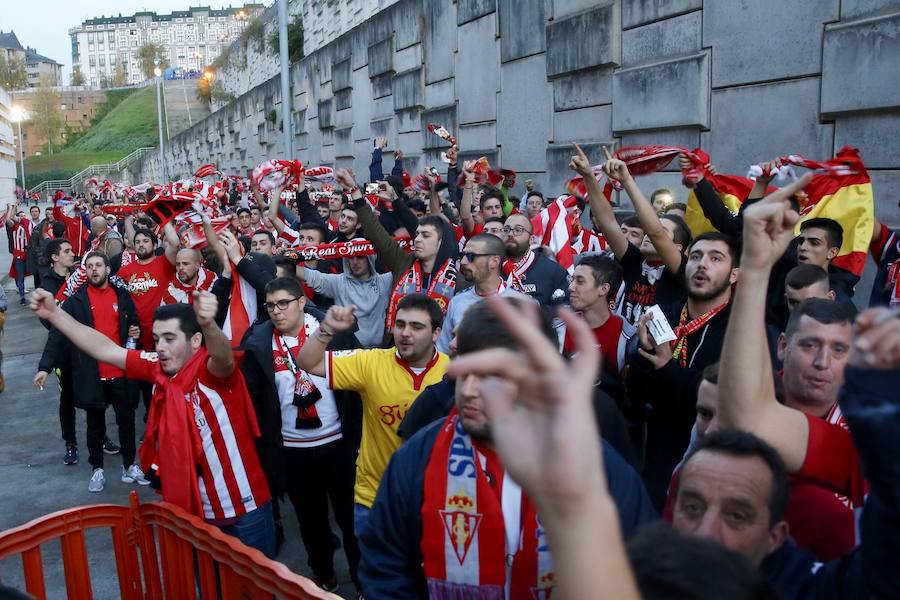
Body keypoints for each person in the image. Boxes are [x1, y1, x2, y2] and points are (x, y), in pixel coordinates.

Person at [359, 297, 654, 598]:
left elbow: (640, 572)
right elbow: (386, 568)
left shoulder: (597, 468)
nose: (470, 391)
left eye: (492, 375)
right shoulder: (417, 458)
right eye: (464, 372)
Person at [30, 289, 276, 557]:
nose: (159, 347)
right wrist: (55, 314)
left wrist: (209, 325)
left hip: (243, 512)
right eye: (157, 339)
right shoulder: (158, 367)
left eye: (170, 339)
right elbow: (105, 348)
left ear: (196, 341)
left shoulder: (211, 371)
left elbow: (224, 359)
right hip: (193, 512)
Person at [240, 277, 359, 592]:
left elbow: (359, 384)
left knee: (351, 520)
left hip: (338, 446)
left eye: (283, 303)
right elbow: (255, 402)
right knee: (311, 520)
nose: (277, 312)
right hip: (293, 452)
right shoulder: (259, 345)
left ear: (302, 301)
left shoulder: (333, 332)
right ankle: (323, 575)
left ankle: (363, 580)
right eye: (270, 306)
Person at [296, 294, 450, 537]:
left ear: (436, 333)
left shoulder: (453, 373)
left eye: (417, 326)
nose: (405, 333)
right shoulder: (371, 362)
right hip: (375, 498)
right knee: (375, 574)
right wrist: (327, 328)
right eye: (400, 324)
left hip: (433, 501)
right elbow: (307, 362)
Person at [626, 230, 740, 507]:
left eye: (716, 259)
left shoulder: (742, 329)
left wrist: (668, 367)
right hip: (651, 457)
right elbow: (636, 396)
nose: (702, 264)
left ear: (734, 275)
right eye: (696, 257)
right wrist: (643, 357)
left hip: (706, 466)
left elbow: (726, 399)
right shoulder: (665, 313)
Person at [34, 252, 145, 492]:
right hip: (91, 374)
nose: (94, 270)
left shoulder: (122, 296)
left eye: (99, 266)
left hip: (121, 372)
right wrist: (45, 367)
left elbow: (134, 324)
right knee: (95, 425)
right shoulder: (76, 301)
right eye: (90, 266)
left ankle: (129, 465)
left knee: (126, 422)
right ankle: (97, 469)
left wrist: (136, 333)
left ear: (107, 270)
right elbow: (57, 334)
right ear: (85, 271)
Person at [571, 145, 690, 326]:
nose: (649, 234)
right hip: (625, 348)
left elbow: (655, 232)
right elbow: (607, 222)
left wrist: (627, 180)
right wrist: (588, 176)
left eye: (663, 230)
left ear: (678, 248)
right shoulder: (635, 261)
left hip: (658, 352)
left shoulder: (683, 270)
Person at [337, 169, 459, 336]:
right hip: (396, 350)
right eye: (416, 235)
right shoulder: (403, 263)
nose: (416, 240)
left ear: (441, 242)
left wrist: (397, 201)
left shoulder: (459, 281)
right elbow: (374, 232)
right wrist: (355, 190)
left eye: (425, 235)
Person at [436, 233, 530, 354]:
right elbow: (443, 353)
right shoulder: (457, 302)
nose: (463, 261)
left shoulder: (523, 303)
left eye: (471, 256)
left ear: (494, 261)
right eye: (463, 255)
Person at [298, 253, 393, 349]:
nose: (355, 262)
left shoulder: (384, 282)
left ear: (370, 259)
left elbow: (405, 264)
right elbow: (312, 277)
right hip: (349, 352)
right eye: (351, 257)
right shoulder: (339, 283)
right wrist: (287, 264)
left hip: (379, 351)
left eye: (360, 257)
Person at [562, 254, 635, 377]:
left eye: (580, 281)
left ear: (603, 289)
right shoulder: (559, 326)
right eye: (572, 280)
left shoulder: (628, 337)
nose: (570, 287)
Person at [115, 225, 178, 351]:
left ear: (155, 246)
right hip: (136, 333)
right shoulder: (123, 271)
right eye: (137, 242)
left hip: (163, 328)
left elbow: (175, 244)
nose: (141, 245)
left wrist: (164, 220)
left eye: (145, 241)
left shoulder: (165, 263)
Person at [502, 212, 569, 307]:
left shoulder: (553, 271)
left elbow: (564, 310)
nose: (510, 234)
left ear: (531, 239)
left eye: (518, 230)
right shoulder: (492, 268)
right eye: (506, 230)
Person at [796, 217, 857, 302]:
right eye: (801, 241)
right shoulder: (780, 279)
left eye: (814, 243)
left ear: (832, 253)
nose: (803, 247)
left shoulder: (838, 301)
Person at [7, 204, 33, 305]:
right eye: (20, 215)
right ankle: (22, 297)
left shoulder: (30, 225)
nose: (22, 217)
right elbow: (9, 219)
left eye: (24, 215)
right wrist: (11, 208)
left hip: (29, 256)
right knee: (20, 277)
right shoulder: (15, 227)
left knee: (36, 275)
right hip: (19, 256)